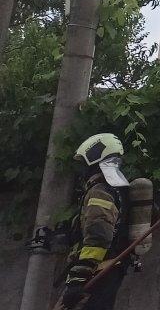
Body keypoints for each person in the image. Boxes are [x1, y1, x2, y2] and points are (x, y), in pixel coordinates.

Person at [58, 133, 133, 310]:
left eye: (84, 163)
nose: (82, 169)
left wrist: (78, 278)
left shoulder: (100, 191)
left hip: (98, 271)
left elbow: (98, 235)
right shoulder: (117, 189)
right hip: (108, 269)